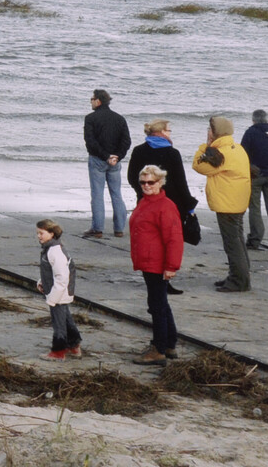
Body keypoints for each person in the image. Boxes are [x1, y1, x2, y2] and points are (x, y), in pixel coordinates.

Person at [128, 165, 184, 363]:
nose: (146, 186)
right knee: (160, 303)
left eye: (151, 182)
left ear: (160, 182)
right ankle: (169, 344)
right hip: (147, 261)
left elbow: (174, 238)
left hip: (157, 263)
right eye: (143, 182)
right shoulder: (145, 202)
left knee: (157, 305)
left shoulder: (165, 206)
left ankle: (158, 349)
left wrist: (171, 266)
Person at [125, 119, 199, 262]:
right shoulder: (172, 153)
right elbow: (180, 182)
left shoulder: (139, 150)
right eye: (168, 130)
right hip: (170, 202)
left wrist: (142, 191)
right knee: (168, 239)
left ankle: (153, 272)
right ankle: (162, 277)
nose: (170, 133)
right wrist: (189, 204)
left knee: (148, 237)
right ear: (161, 132)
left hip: (145, 200)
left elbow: (132, 177)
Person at [193, 116, 252, 291]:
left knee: (232, 243)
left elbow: (198, 166)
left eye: (210, 130)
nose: (208, 132)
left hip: (228, 203)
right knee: (238, 240)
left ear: (216, 132)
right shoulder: (237, 148)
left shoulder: (221, 153)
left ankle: (238, 281)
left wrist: (205, 145)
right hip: (238, 200)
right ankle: (241, 277)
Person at [82, 88, 131, 239]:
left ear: (98, 101)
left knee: (97, 194)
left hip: (98, 159)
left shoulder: (91, 118)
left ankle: (97, 228)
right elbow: (126, 141)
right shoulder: (119, 118)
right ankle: (119, 228)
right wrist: (117, 157)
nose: (90, 101)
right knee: (116, 193)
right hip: (114, 161)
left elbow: (90, 141)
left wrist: (106, 156)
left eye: (92, 98)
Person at [35, 220, 82, 360]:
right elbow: (50, 272)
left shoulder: (54, 252)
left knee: (59, 323)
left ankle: (58, 351)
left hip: (59, 293)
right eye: (37, 233)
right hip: (58, 291)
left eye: (41, 233)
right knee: (66, 319)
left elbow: (62, 277)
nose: (39, 236)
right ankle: (74, 345)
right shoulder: (51, 249)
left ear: (51, 233)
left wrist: (52, 298)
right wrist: (42, 282)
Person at [241, 109, 268, 251]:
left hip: (255, 175)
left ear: (253, 120)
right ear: (267, 120)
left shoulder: (250, 133)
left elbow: (243, 154)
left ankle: (255, 239)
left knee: (255, 207)